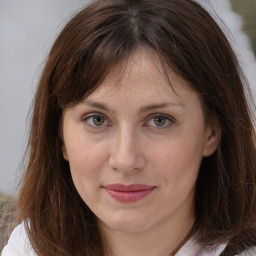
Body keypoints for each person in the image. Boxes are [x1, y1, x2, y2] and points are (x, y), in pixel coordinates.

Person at [2, 0, 256, 255]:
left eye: (159, 120)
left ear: (211, 132)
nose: (125, 159)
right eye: (97, 119)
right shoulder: (27, 247)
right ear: (59, 135)